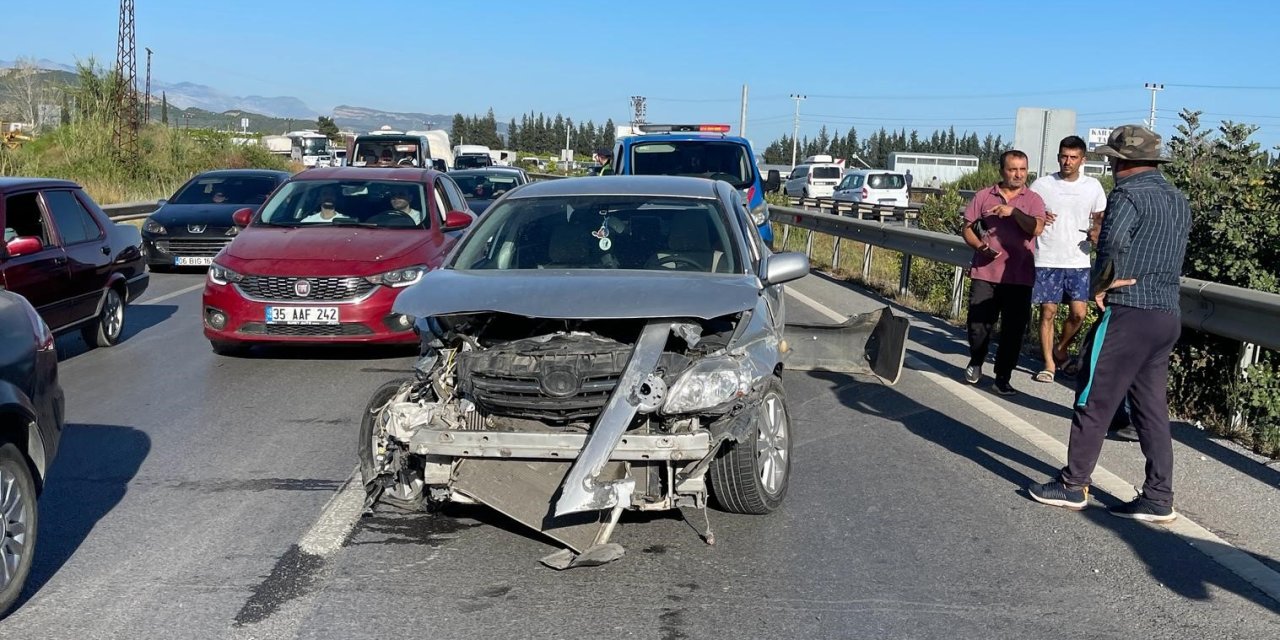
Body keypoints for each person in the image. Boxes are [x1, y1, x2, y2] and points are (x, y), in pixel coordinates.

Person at [1028, 125, 1191, 522]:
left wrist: (1100, 284)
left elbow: (1113, 244)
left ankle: (1072, 485)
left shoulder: (1127, 195)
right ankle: (1158, 496)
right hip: (1166, 313)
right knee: (1151, 409)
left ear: (1120, 161)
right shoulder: (1178, 198)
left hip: (1128, 313)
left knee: (1093, 397)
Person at [960, 150, 1046, 396]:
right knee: (978, 325)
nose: (1018, 175)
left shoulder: (1033, 199)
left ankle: (1002, 377)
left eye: (1022, 169)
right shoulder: (984, 196)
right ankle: (976, 360)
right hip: (985, 272)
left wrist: (1014, 212)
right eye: (1012, 169)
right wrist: (979, 246)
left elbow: (1037, 228)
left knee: (1013, 330)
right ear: (1002, 171)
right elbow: (967, 228)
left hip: (1019, 276)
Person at [1029, 136, 1108, 383]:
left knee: (1078, 314)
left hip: (1079, 259)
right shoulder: (1042, 185)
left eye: (1073, 157)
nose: (1067, 161)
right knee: (1048, 311)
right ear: (1058, 157)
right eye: (1064, 156)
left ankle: (1061, 349)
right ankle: (1049, 365)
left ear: (1083, 160)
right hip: (1048, 257)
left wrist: (1097, 232)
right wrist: (1039, 214)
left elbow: (1100, 218)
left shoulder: (1093, 186)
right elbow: (1027, 213)